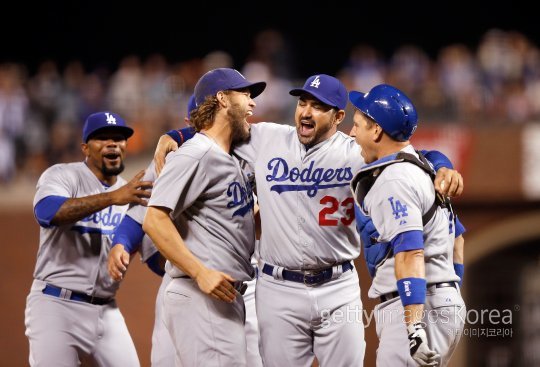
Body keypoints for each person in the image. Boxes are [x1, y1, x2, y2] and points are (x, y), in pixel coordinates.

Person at [154, 74, 463, 366]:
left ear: (339, 117)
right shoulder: (265, 138)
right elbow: (219, 128)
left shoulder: (356, 150)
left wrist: (443, 165)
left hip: (338, 286)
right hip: (278, 287)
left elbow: (407, 154)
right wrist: (175, 135)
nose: (306, 111)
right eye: (303, 102)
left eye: (318, 106)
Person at [108, 93, 263, 366]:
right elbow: (144, 216)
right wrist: (122, 244)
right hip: (190, 278)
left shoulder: (245, 152)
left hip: (243, 283)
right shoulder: (177, 159)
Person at [349, 84, 466, 366]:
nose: (352, 133)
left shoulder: (394, 178)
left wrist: (414, 328)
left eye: (357, 126)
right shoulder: (423, 166)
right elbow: (458, 240)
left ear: (376, 131)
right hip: (435, 299)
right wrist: (450, 292)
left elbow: (410, 252)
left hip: (416, 306)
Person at [24, 111, 152, 366]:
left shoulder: (130, 193)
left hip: (107, 311)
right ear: (85, 147)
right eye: (102, 138)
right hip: (55, 306)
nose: (112, 143)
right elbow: (46, 212)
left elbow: (153, 255)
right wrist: (114, 198)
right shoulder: (62, 175)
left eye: (118, 138)